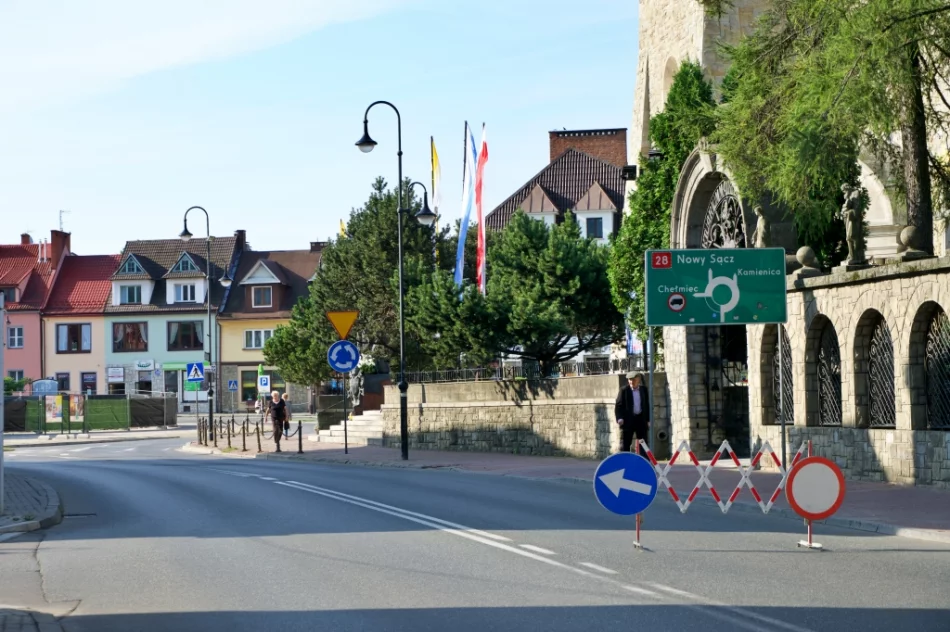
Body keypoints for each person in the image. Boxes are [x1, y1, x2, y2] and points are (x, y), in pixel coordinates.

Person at [615, 371, 649, 456]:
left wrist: (648, 420)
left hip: (640, 420)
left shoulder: (643, 390)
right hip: (627, 421)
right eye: (629, 380)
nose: (631, 382)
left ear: (638, 380)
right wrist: (620, 418)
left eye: (633, 380)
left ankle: (643, 462)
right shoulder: (624, 390)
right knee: (625, 444)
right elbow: (618, 406)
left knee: (643, 443)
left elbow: (647, 405)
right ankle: (625, 462)